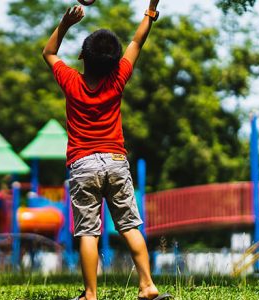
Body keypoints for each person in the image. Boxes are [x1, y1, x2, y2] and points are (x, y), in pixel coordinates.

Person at [42, 1, 171, 300]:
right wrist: (150, 10)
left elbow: (48, 53)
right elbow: (137, 40)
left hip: (83, 164)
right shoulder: (118, 79)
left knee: (88, 232)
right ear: (114, 62)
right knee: (129, 225)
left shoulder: (71, 81)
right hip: (115, 161)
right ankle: (148, 286)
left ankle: (90, 294)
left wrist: (64, 24)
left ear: (82, 57)